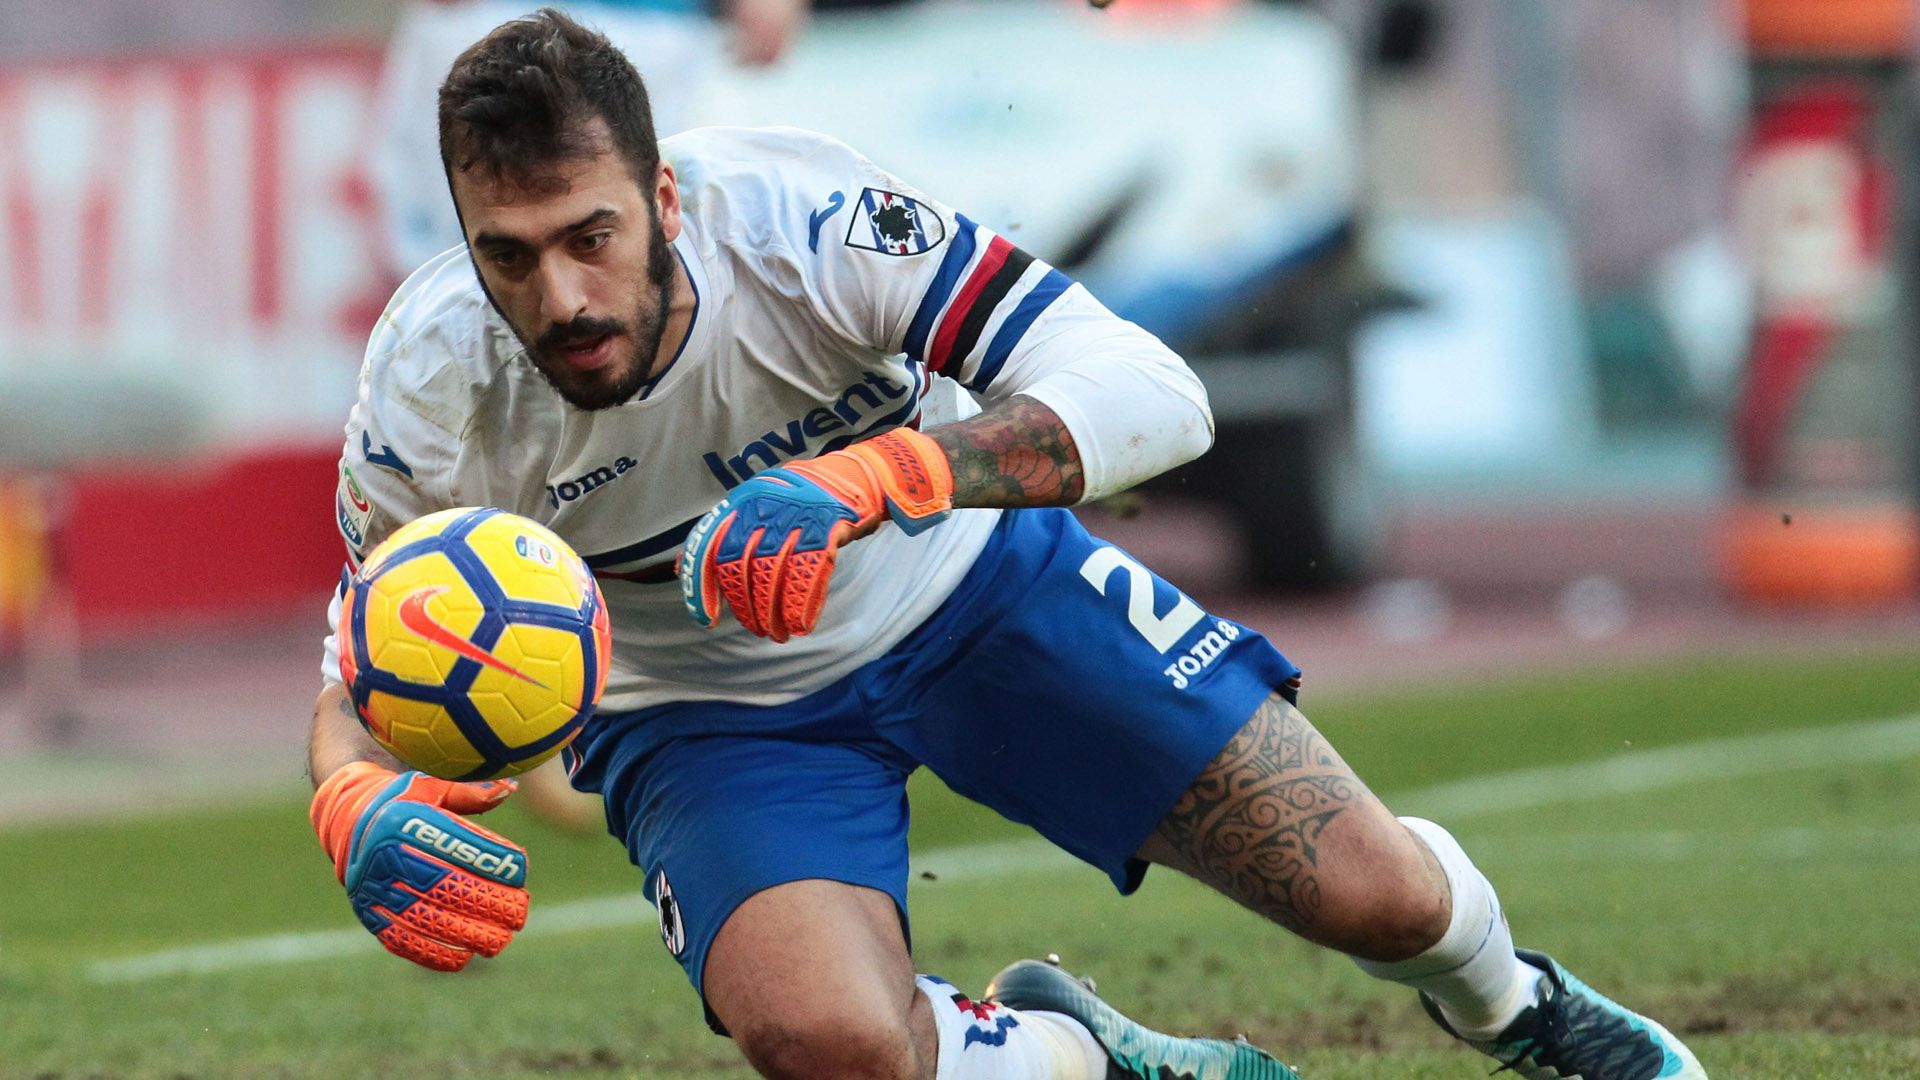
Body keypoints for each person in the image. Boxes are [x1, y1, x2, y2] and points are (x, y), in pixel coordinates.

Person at [307, 10, 1710, 1079]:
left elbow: (1160, 396)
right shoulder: (429, 388)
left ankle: (1518, 1007)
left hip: (971, 591)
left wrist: (892, 471)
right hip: (705, 715)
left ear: (666, 202)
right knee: (834, 1047)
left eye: (590, 236)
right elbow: (362, 662)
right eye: (508, 254)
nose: (558, 296)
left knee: (1381, 899)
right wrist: (351, 801)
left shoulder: (809, 223)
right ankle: (1081, 1055)